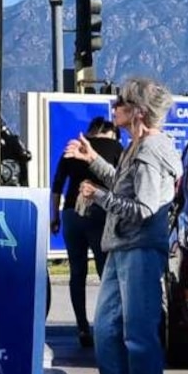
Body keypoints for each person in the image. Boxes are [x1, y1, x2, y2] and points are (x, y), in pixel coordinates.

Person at [67, 79, 180, 374]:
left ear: (138, 113)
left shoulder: (149, 151)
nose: (113, 107)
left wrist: (98, 196)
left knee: (138, 336)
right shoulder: (137, 147)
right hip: (121, 248)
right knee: (106, 332)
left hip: (139, 250)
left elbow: (144, 209)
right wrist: (95, 163)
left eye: (122, 102)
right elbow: (124, 185)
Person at [54, 115, 123, 350]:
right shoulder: (117, 147)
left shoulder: (74, 147)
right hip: (100, 212)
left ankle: (82, 326)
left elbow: (57, 186)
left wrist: (55, 217)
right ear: (112, 132)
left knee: (77, 272)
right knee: (106, 272)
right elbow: (122, 183)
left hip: (72, 213)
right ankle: (108, 325)